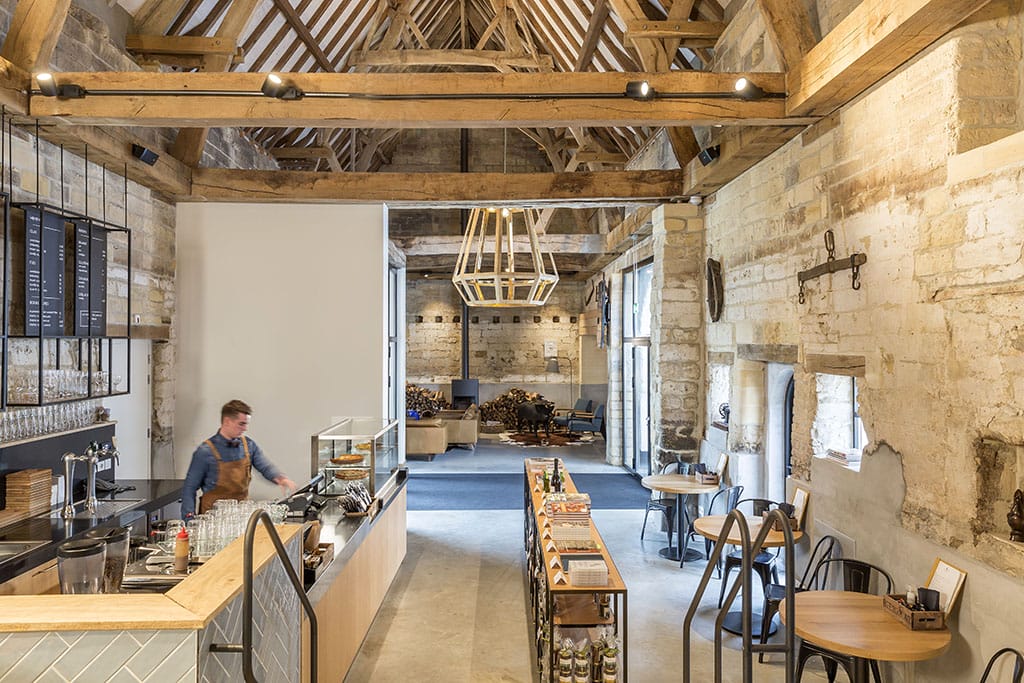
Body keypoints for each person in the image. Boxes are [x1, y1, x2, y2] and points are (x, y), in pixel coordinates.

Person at [181, 399, 296, 518]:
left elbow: (264, 466)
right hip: (213, 519)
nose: (245, 428)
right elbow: (189, 488)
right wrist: (189, 518)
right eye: (241, 424)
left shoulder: (248, 445)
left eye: (246, 424)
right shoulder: (205, 452)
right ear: (227, 421)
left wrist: (281, 479)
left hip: (240, 516)